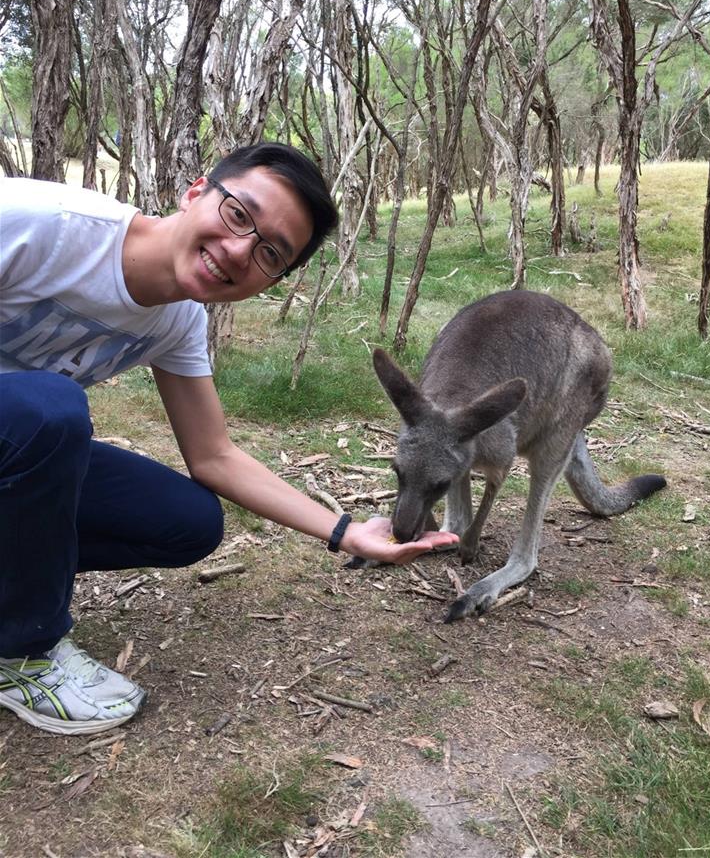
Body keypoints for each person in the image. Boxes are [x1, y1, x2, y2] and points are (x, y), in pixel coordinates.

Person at [0, 142, 458, 736]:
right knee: (50, 410)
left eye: (270, 254)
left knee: (186, 520)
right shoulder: (40, 226)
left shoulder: (177, 321)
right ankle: (22, 652)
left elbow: (214, 456)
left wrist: (347, 533)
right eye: (239, 214)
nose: (239, 250)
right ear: (196, 191)